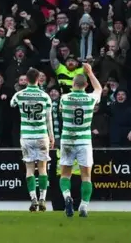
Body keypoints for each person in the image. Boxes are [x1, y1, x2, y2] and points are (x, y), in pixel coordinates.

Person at [59, 63, 102, 218]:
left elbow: (62, 111)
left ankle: (67, 197)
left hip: (67, 140)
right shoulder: (90, 99)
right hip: (84, 141)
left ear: (72, 84)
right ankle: (83, 206)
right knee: (86, 176)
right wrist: (90, 72)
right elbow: (99, 89)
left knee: (65, 174)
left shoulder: (64, 98)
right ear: (85, 85)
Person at [10, 68, 55, 212]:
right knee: (42, 168)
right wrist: (51, 136)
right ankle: (42, 198)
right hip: (42, 135)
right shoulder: (45, 96)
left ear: (27, 79)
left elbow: (12, 104)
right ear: (38, 79)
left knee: (29, 169)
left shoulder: (19, 94)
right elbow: (49, 118)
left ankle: (33, 199)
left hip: (27, 136)